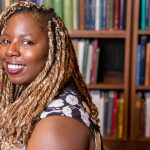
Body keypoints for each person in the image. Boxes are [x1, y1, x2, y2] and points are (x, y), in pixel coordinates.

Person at [0, 1, 103, 150]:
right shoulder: (29, 93)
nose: (10, 50)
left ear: (52, 50)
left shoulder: (56, 128)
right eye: (6, 41)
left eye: (27, 42)